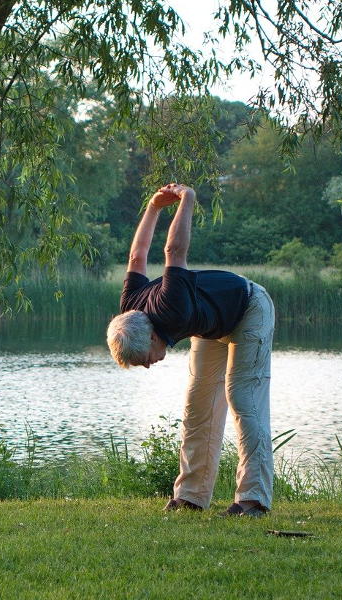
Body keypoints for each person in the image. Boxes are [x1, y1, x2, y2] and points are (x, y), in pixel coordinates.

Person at [106, 183, 275, 517]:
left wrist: (187, 200)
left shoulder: (171, 307)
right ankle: (191, 496)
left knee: (243, 399)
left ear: (152, 337)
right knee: (197, 407)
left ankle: (253, 500)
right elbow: (137, 256)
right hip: (211, 325)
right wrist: (153, 207)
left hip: (250, 308)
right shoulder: (130, 307)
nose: (149, 366)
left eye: (144, 361)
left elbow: (174, 251)